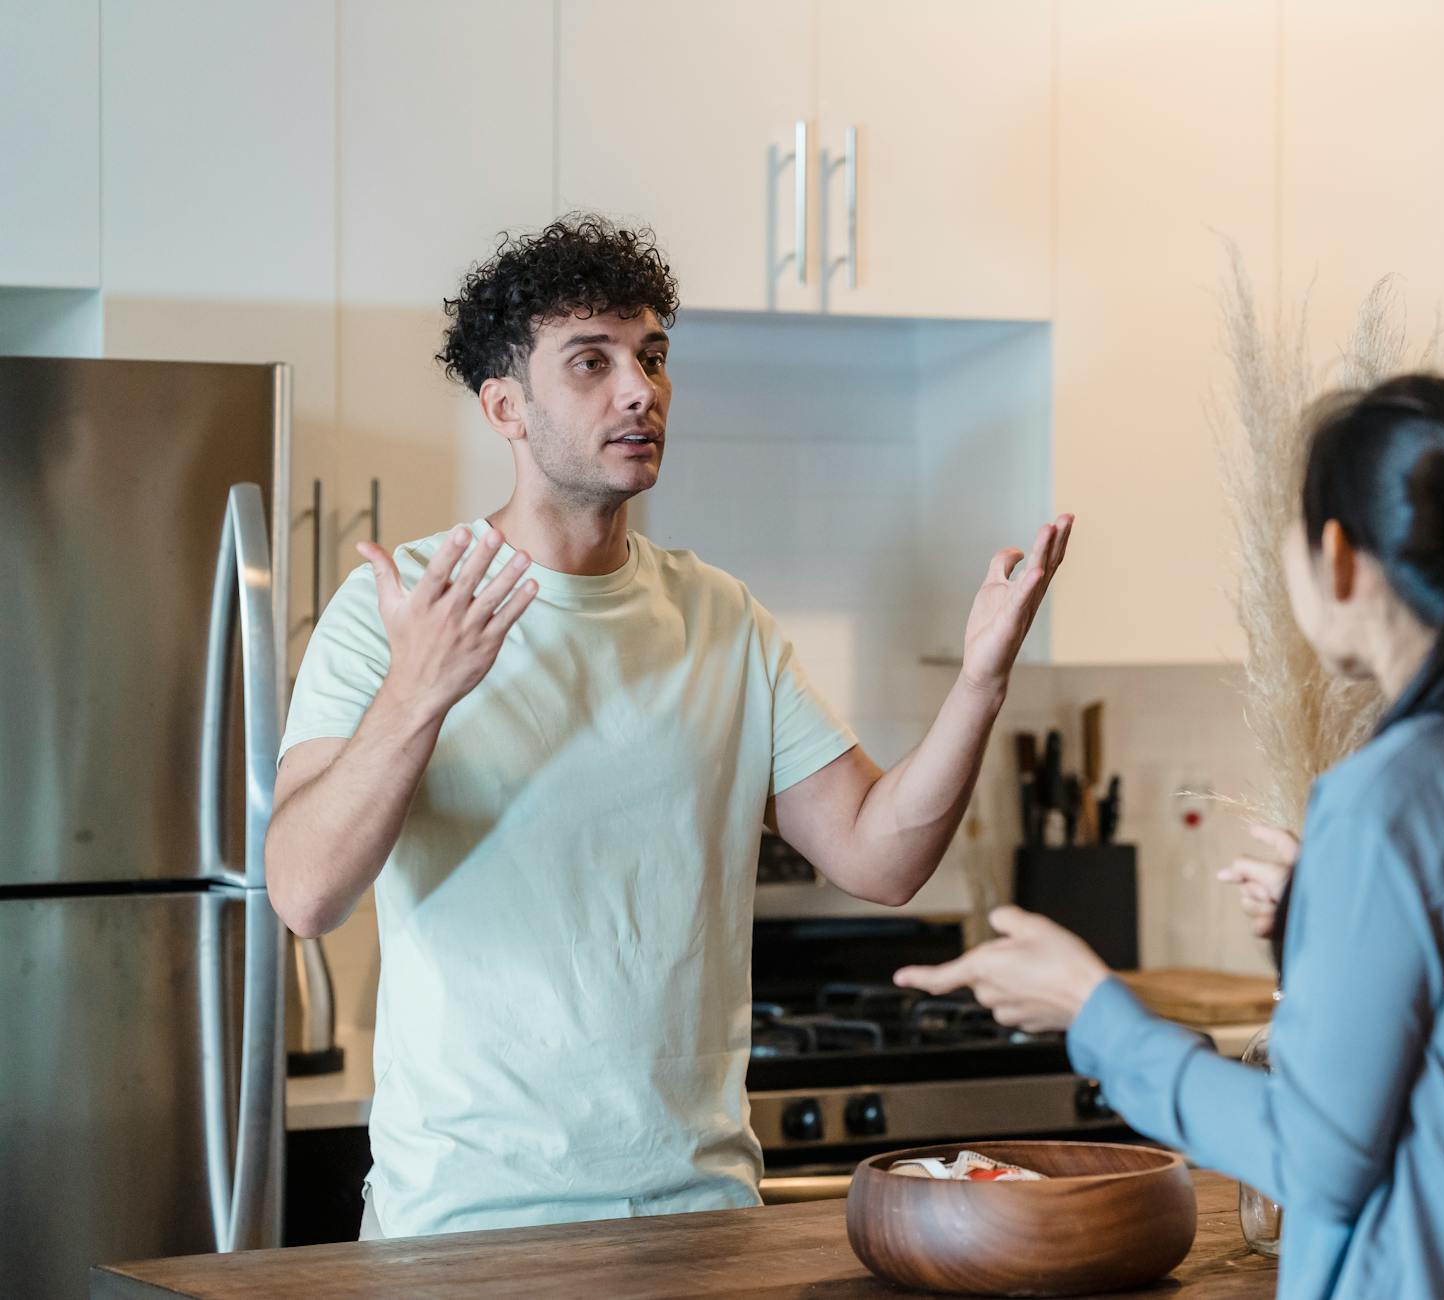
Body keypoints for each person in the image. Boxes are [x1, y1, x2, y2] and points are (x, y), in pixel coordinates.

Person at [267, 215, 1072, 1238]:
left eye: (651, 356)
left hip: (699, 1219)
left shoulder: (721, 618)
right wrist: (420, 690)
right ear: (505, 406)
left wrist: (980, 683)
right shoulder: (404, 609)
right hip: (466, 1230)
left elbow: (880, 856)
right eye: (591, 363)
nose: (640, 389)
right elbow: (302, 891)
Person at [897, 375, 1444, 1299]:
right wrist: (1324, 913)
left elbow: (1315, 1156)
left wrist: (1094, 1010)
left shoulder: (1391, 800)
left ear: (1336, 555)